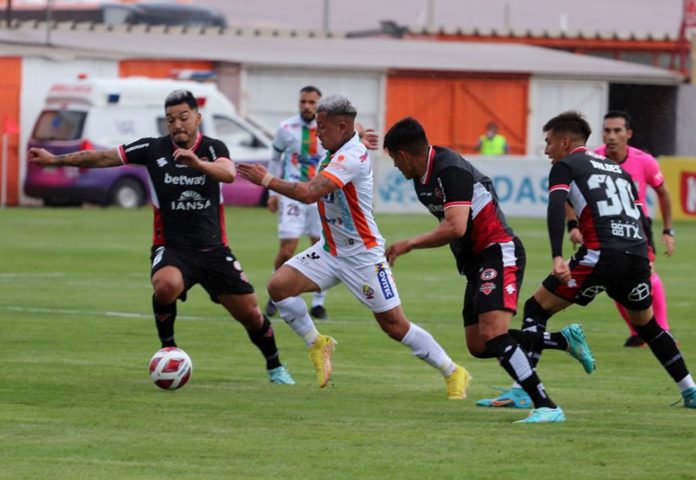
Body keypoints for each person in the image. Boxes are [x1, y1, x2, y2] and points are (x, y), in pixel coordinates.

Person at [28, 89, 295, 385]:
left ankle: (276, 367)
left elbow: (227, 173)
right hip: (172, 247)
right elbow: (103, 157)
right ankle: (168, 348)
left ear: (197, 117)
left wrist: (197, 164)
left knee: (252, 315)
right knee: (165, 285)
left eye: (183, 117)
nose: (177, 124)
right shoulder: (153, 149)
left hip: (213, 249)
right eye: (170, 120)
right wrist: (55, 160)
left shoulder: (212, 147)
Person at [238, 94, 470, 398]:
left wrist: (267, 179)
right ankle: (317, 343)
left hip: (363, 255)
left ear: (341, 126)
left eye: (321, 126)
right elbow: (353, 125)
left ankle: (453, 372)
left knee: (395, 325)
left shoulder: (352, 157)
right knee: (279, 286)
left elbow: (310, 193)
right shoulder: (341, 141)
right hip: (330, 250)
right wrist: (361, 130)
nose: (316, 132)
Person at [479, 111, 696, 410]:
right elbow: (640, 215)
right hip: (635, 255)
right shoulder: (618, 170)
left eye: (548, 142)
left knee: (536, 308)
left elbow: (556, 206)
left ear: (565, 142)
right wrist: (648, 256)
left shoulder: (566, 165)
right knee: (648, 326)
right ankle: (690, 390)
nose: (546, 151)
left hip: (601, 254)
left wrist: (557, 255)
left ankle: (523, 389)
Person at [383, 117, 595, 423]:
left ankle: (546, 405)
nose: (395, 167)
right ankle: (563, 340)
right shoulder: (422, 178)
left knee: (494, 335)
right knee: (479, 345)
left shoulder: (449, 168)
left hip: (498, 252)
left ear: (403, 155)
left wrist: (409, 244)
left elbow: (455, 227)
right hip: (476, 263)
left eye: (393, 159)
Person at [264, 86, 379, 321]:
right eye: (303, 101)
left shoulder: (332, 128)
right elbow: (275, 158)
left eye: (311, 102)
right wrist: (271, 193)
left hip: (323, 194)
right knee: (287, 248)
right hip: (293, 193)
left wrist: (360, 140)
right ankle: (277, 289)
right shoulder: (286, 129)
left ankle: (318, 304)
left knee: (322, 243)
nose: (306, 106)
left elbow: (352, 129)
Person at [586, 110, 674, 347]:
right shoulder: (592, 160)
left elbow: (664, 194)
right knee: (615, 283)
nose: (611, 136)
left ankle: (663, 330)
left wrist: (668, 231)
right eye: (607, 130)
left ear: (629, 134)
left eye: (617, 130)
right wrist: (573, 225)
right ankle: (638, 332)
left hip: (637, 230)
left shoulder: (644, 161)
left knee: (646, 276)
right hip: (605, 231)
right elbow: (570, 196)